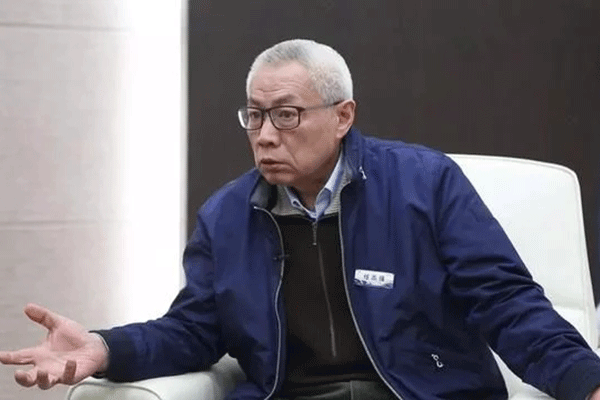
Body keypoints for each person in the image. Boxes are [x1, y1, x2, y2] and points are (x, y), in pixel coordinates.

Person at [1, 38, 600, 400]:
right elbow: (194, 331)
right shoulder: (227, 215)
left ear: (342, 116)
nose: (265, 135)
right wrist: (105, 348)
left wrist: (584, 379)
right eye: (254, 115)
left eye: (286, 115)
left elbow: (506, 302)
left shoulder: (424, 184)